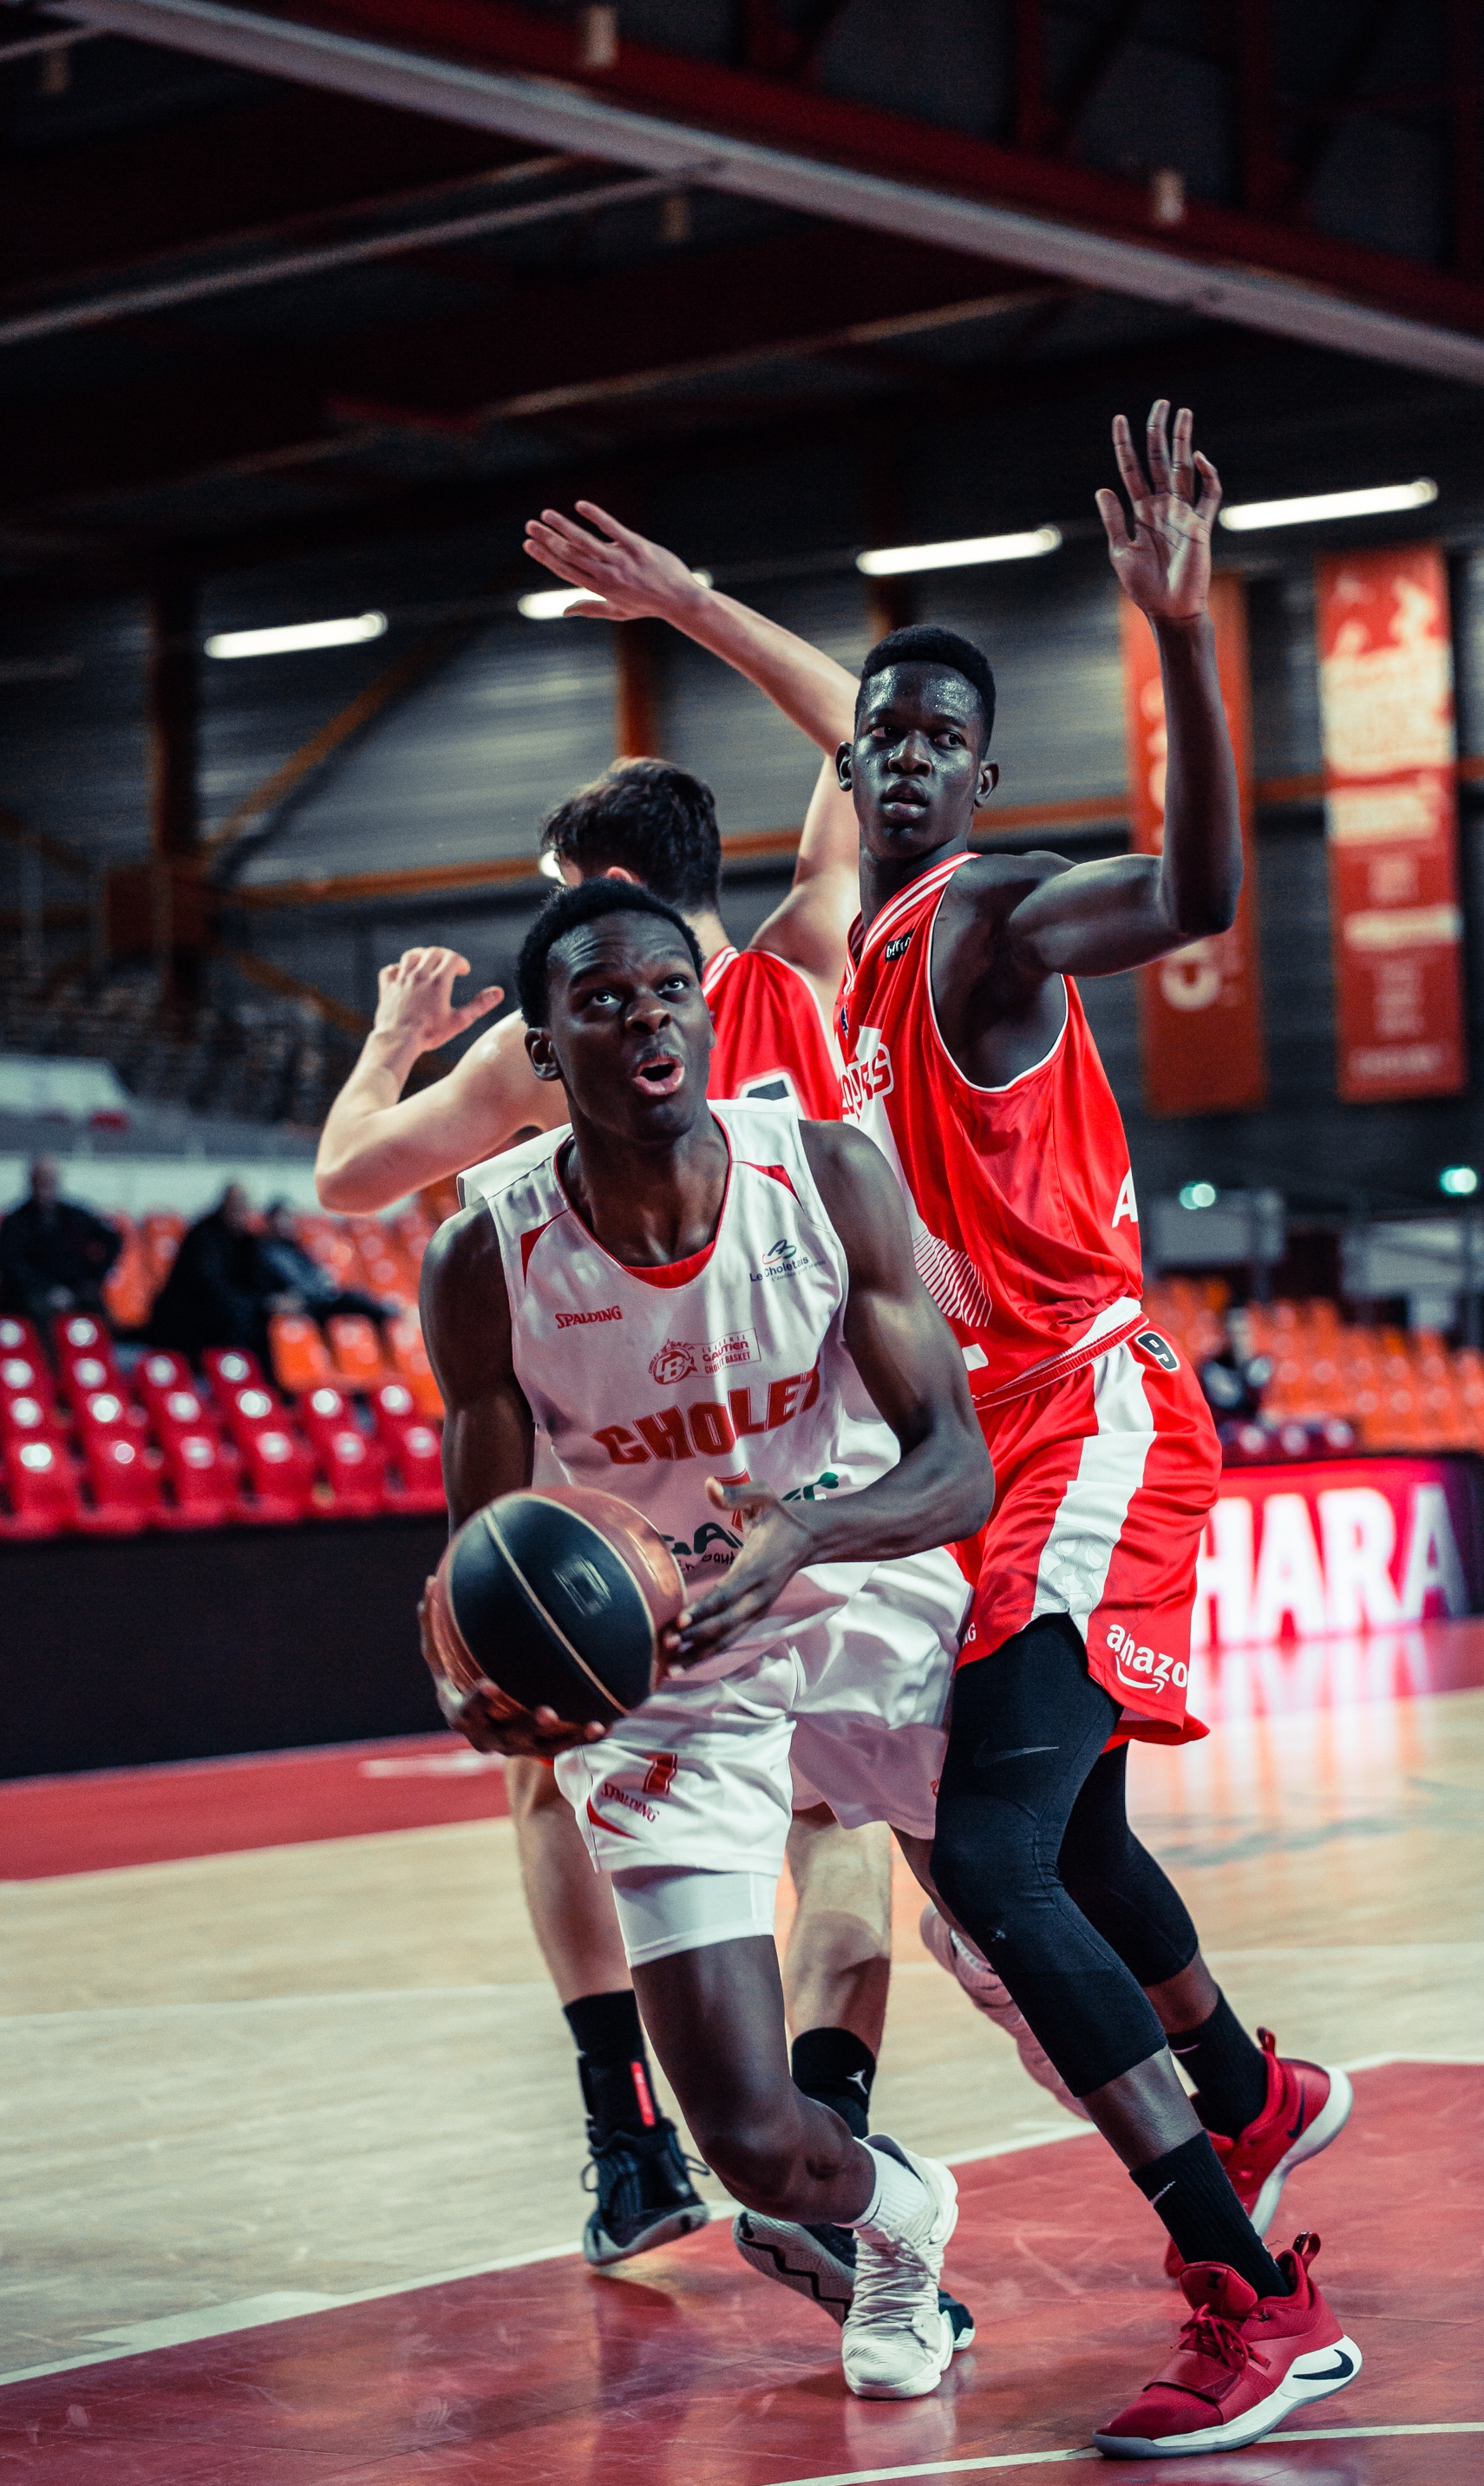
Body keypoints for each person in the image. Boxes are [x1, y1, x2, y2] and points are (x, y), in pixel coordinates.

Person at [544, 412, 1360, 2457]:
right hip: (950, 1459)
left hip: (1080, 1417)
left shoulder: (983, 921)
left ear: (978, 779)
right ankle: (1246, 2095)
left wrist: (1180, 636)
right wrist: (695, 608)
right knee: (1049, 1835)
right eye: (873, 736)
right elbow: (854, 731)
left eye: (935, 736)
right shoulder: (824, 982)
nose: (896, 751)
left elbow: (1184, 885)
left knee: (989, 1855)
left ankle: (1251, 2292)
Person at [311, 555, 945, 2292]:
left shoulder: (563, 1038)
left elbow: (350, 1175)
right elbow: (860, 728)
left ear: (595, 905)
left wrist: (382, 1043)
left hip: (646, 1502)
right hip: (822, 1464)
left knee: (546, 1753)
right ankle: (830, 2126)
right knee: (845, 1832)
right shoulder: (809, 949)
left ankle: (628, 2143)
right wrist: (690, 601)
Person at [420, 881, 994, 2401]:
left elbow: (956, 1469)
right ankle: (898, 2221)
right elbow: (486, 1563)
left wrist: (805, 1530)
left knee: (1056, 1965)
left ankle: (1231, 2221)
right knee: (747, 2136)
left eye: (669, 987)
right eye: (602, 999)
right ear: (544, 1046)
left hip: (863, 1597)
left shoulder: (820, 1172)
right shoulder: (487, 1254)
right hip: (675, 1682)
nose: (646, 1016)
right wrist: (486, 1682)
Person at [147, 1183, 284, 1366]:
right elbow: (209, 1287)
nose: (242, 1213)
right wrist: (259, 1303)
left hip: (227, 1308)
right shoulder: (203, 1236)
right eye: (237, 1207)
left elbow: (258, 1281)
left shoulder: (246, 1241)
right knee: (237, 1315)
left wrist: (271, 1301)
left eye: (245, 1207)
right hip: (189, 1316)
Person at [0, 1156, 120, 1332]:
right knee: (36, 1309)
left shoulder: (73, 1216)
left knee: (97, 1308)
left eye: (49, 1180)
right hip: (33, 1291)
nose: (44, 1187)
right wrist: (49, 1290)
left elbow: (111, 1239)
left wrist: (94, 1277)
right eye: (40, 1180)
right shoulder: (17, 1221)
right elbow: (12, 1265)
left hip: (74, 1286)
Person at [257, 1197, 396, 1329]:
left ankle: (389, 1318)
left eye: (288, 1217)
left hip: (319, 1298)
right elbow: (272, 1294)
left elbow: (314, 1276)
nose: (286, 1223)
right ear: (270, 1221)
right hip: (308, 1304)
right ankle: (389, 1315)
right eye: (281, 1218)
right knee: (351, 1299)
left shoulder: (297, 1247)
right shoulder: (267, 1252)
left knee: (356, 1295)